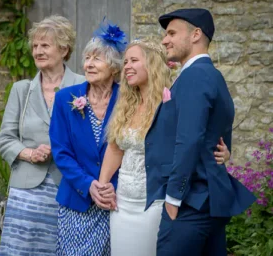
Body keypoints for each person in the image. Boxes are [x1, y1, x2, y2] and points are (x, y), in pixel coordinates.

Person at [98, 38, 231, 256]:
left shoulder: (171, 100)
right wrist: (103, 186)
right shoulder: (125, 105)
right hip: (122, 202)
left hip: (155, 199)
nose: (127, 66)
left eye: (134, 60)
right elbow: (115, 148)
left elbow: (191, 139)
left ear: (151, 64)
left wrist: (224, 152)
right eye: (126, 62)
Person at [144, 8, 256, 256]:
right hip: (209, 201)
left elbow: (189, 139)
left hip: (190, 202)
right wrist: (225, 152)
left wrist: (174, 197)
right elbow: (216, 132)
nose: (165, 40)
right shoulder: (213, 76)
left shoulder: (195, 76)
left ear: (195, 34)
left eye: (172, 33)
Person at [0, 15, 85, 256]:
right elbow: (5, 139)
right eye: (35, 46)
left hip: (66, 187)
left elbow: (94, 138)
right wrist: (30, 153)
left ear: (64, 48)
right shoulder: (21, 90)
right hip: (25, 192)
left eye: (45, 45)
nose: (38, 51)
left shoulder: (83, 86)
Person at [49, 20, 127, 255]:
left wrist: (107, 188)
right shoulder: (65, 98)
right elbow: (61, 152)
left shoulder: (128, 99)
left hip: (114, 200)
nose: (89, 65)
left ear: (114, 67)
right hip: (76, 200)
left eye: (97, 59)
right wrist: (88, 185)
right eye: (87, 59)